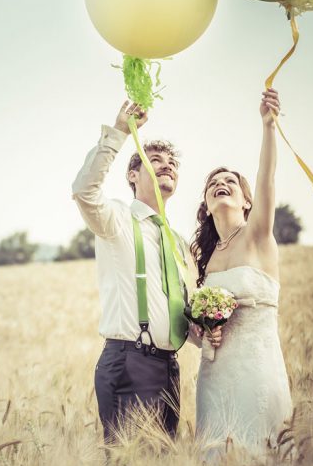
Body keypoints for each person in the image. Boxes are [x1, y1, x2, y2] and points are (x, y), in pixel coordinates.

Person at [72, 100, 219, 444]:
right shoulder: (117, 220)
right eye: (155, 161)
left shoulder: (180, 246)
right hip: (128, 361)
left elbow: (180, 311)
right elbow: (83, 191)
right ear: (133, 175)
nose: (167, 167)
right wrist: (121, 131)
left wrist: (204, 331)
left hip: (170, 367)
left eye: (172, 165)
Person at [190, 88, 294, 459]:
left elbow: (266, 179)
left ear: (246, 201)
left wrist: (268, 126)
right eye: (213, 183)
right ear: (205, 205)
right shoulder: (203, 256)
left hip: (257, 370)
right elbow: (192, 323)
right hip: (214, 377)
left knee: (262, 457)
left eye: (230, 182)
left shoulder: (257, 235)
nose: (221, 184)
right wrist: (201, 330)